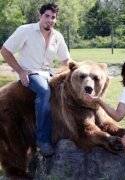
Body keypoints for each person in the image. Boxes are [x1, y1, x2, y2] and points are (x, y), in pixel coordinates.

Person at [0, 3, 71, 157]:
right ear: (40, 16)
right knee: (44, 91)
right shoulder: (25, 31)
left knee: (66, 91)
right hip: (31, 73)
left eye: (53, 17)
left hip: (48, 73)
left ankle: (65, 129)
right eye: (47, 16)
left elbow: (67, 60)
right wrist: (20, 71)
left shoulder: (58, 36)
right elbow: (5, 51)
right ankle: (42, 140)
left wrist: (77, 71)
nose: (50, 20)